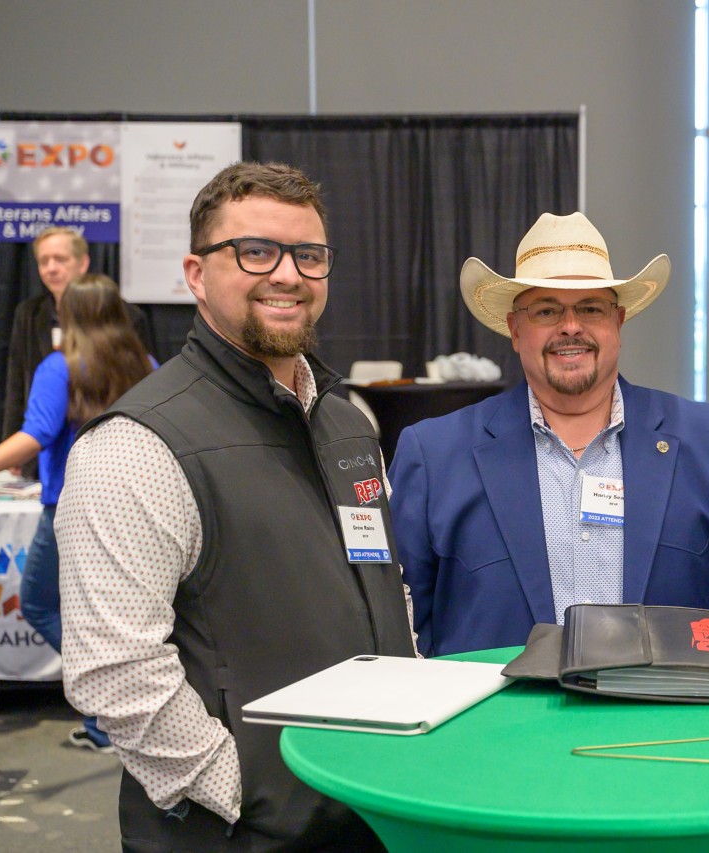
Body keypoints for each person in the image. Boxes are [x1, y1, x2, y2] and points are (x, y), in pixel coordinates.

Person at [57, 161, 417, 850]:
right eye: (256, 251)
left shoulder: (347, 425)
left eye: (308, 255)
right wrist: (246, 792)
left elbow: (385, 591)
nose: (288, 274)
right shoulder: (136, 444)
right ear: (196, 275)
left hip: (366, 812)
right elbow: (114, 670)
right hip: (240, 832)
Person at [388, 211, 709, 657]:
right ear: (515, 330)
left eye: (590, 308)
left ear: (618, 322)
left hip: (666, 723)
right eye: (546, 310)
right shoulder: (435, 455)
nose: (570, 326)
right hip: (498, 723)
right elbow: (400, 632)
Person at [0, 274, 155, 753]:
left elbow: (35, 433)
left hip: (70, 509)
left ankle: (108, 711)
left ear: (69, 318)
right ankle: (115, 714)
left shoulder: (60, 367)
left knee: (39, 606)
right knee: (114, 615)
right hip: (133, 507)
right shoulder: (148, 365)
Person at [3, 227, 152, 478]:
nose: (51, 268)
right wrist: (13, 447)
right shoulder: (28, 313)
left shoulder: (127, 317)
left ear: (83, 263)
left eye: (60, 259)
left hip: (104, 451)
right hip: (39, 453)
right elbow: (17, 381)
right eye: (43, 261)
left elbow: (143, 386)